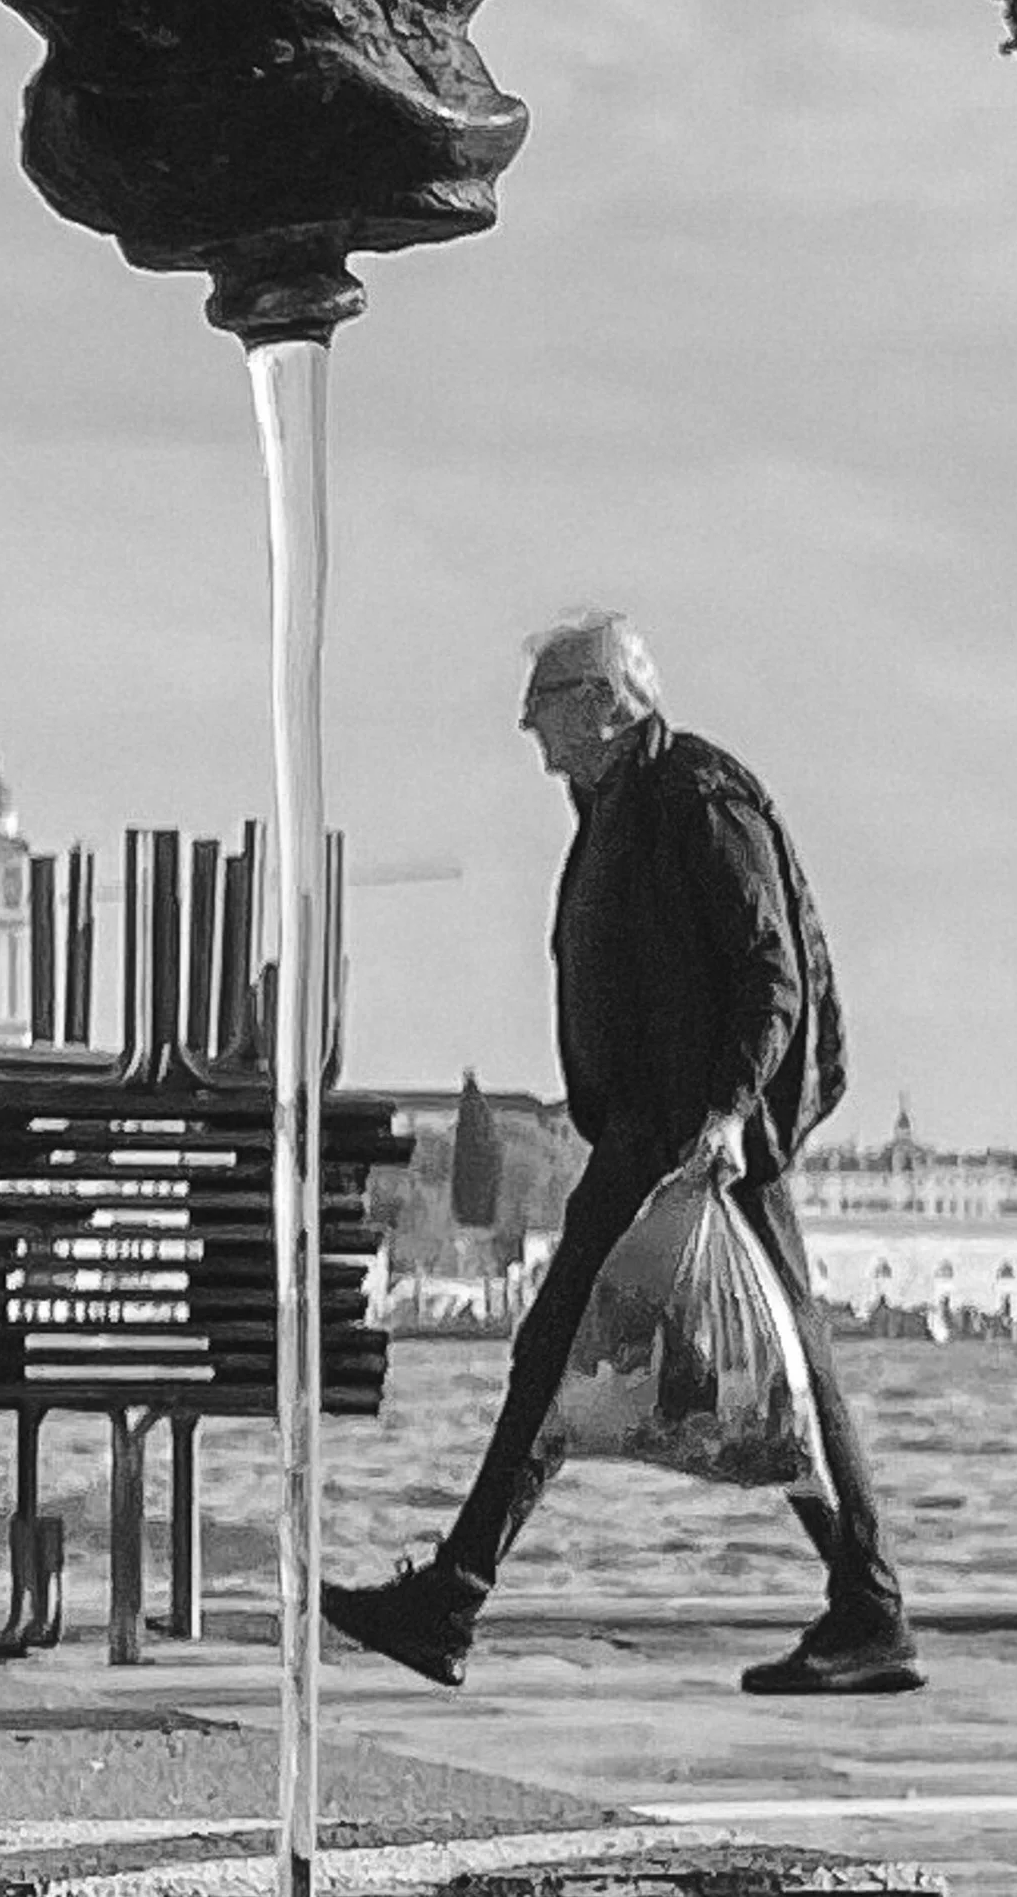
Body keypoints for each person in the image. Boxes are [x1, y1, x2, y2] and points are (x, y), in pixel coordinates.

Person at [321, 611, 921, 1696]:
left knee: (776, 1374)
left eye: (543, 706)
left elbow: (769, 975)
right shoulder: (617, 806)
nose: (529, 732)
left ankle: (867, 1604)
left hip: (702, 1145)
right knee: (597, 1361)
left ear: (604, 702)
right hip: (649, 1137)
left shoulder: (696, 798)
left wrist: (732, 1117)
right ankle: (454, 1599)